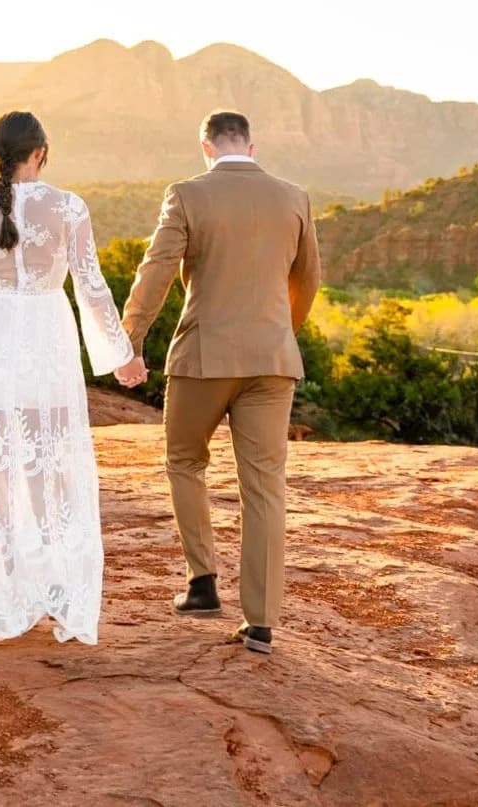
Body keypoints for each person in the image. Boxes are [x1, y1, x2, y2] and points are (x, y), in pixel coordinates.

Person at [0, 110, 143, 644]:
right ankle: (59, 592)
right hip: (46, 340)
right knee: (52, 465)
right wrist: (121, 355)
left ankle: (5, 598)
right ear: (40, 152)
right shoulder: (69, 207)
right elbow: (92, 287)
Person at [117, 110, 321, 654]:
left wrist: (130, 340)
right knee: (265, 487)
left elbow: (155, 270)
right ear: (250, 148)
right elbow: (308, 278)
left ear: (205, 147)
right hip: (273, 359)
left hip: (204, 358)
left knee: (185, 460)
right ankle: (261, 623)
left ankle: (202, 583)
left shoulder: (186, 194)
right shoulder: (294, 196)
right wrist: (279, 334)